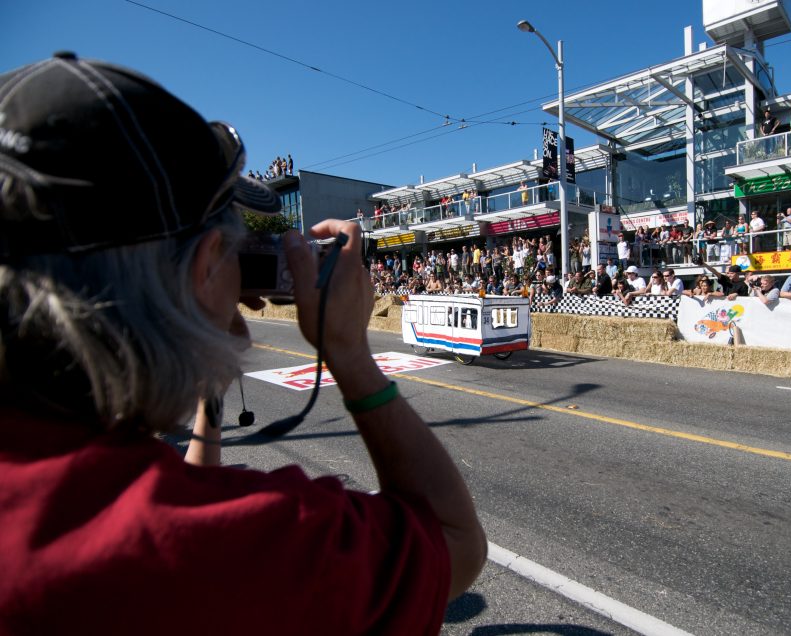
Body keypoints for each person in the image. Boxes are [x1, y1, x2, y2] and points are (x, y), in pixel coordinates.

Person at [0, 53, 485, 633]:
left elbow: (180, 481)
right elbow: (453, 542)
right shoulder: (227, 546)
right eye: (232, 250)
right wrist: (353, 358)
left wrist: (197, 354)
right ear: (206, 267)